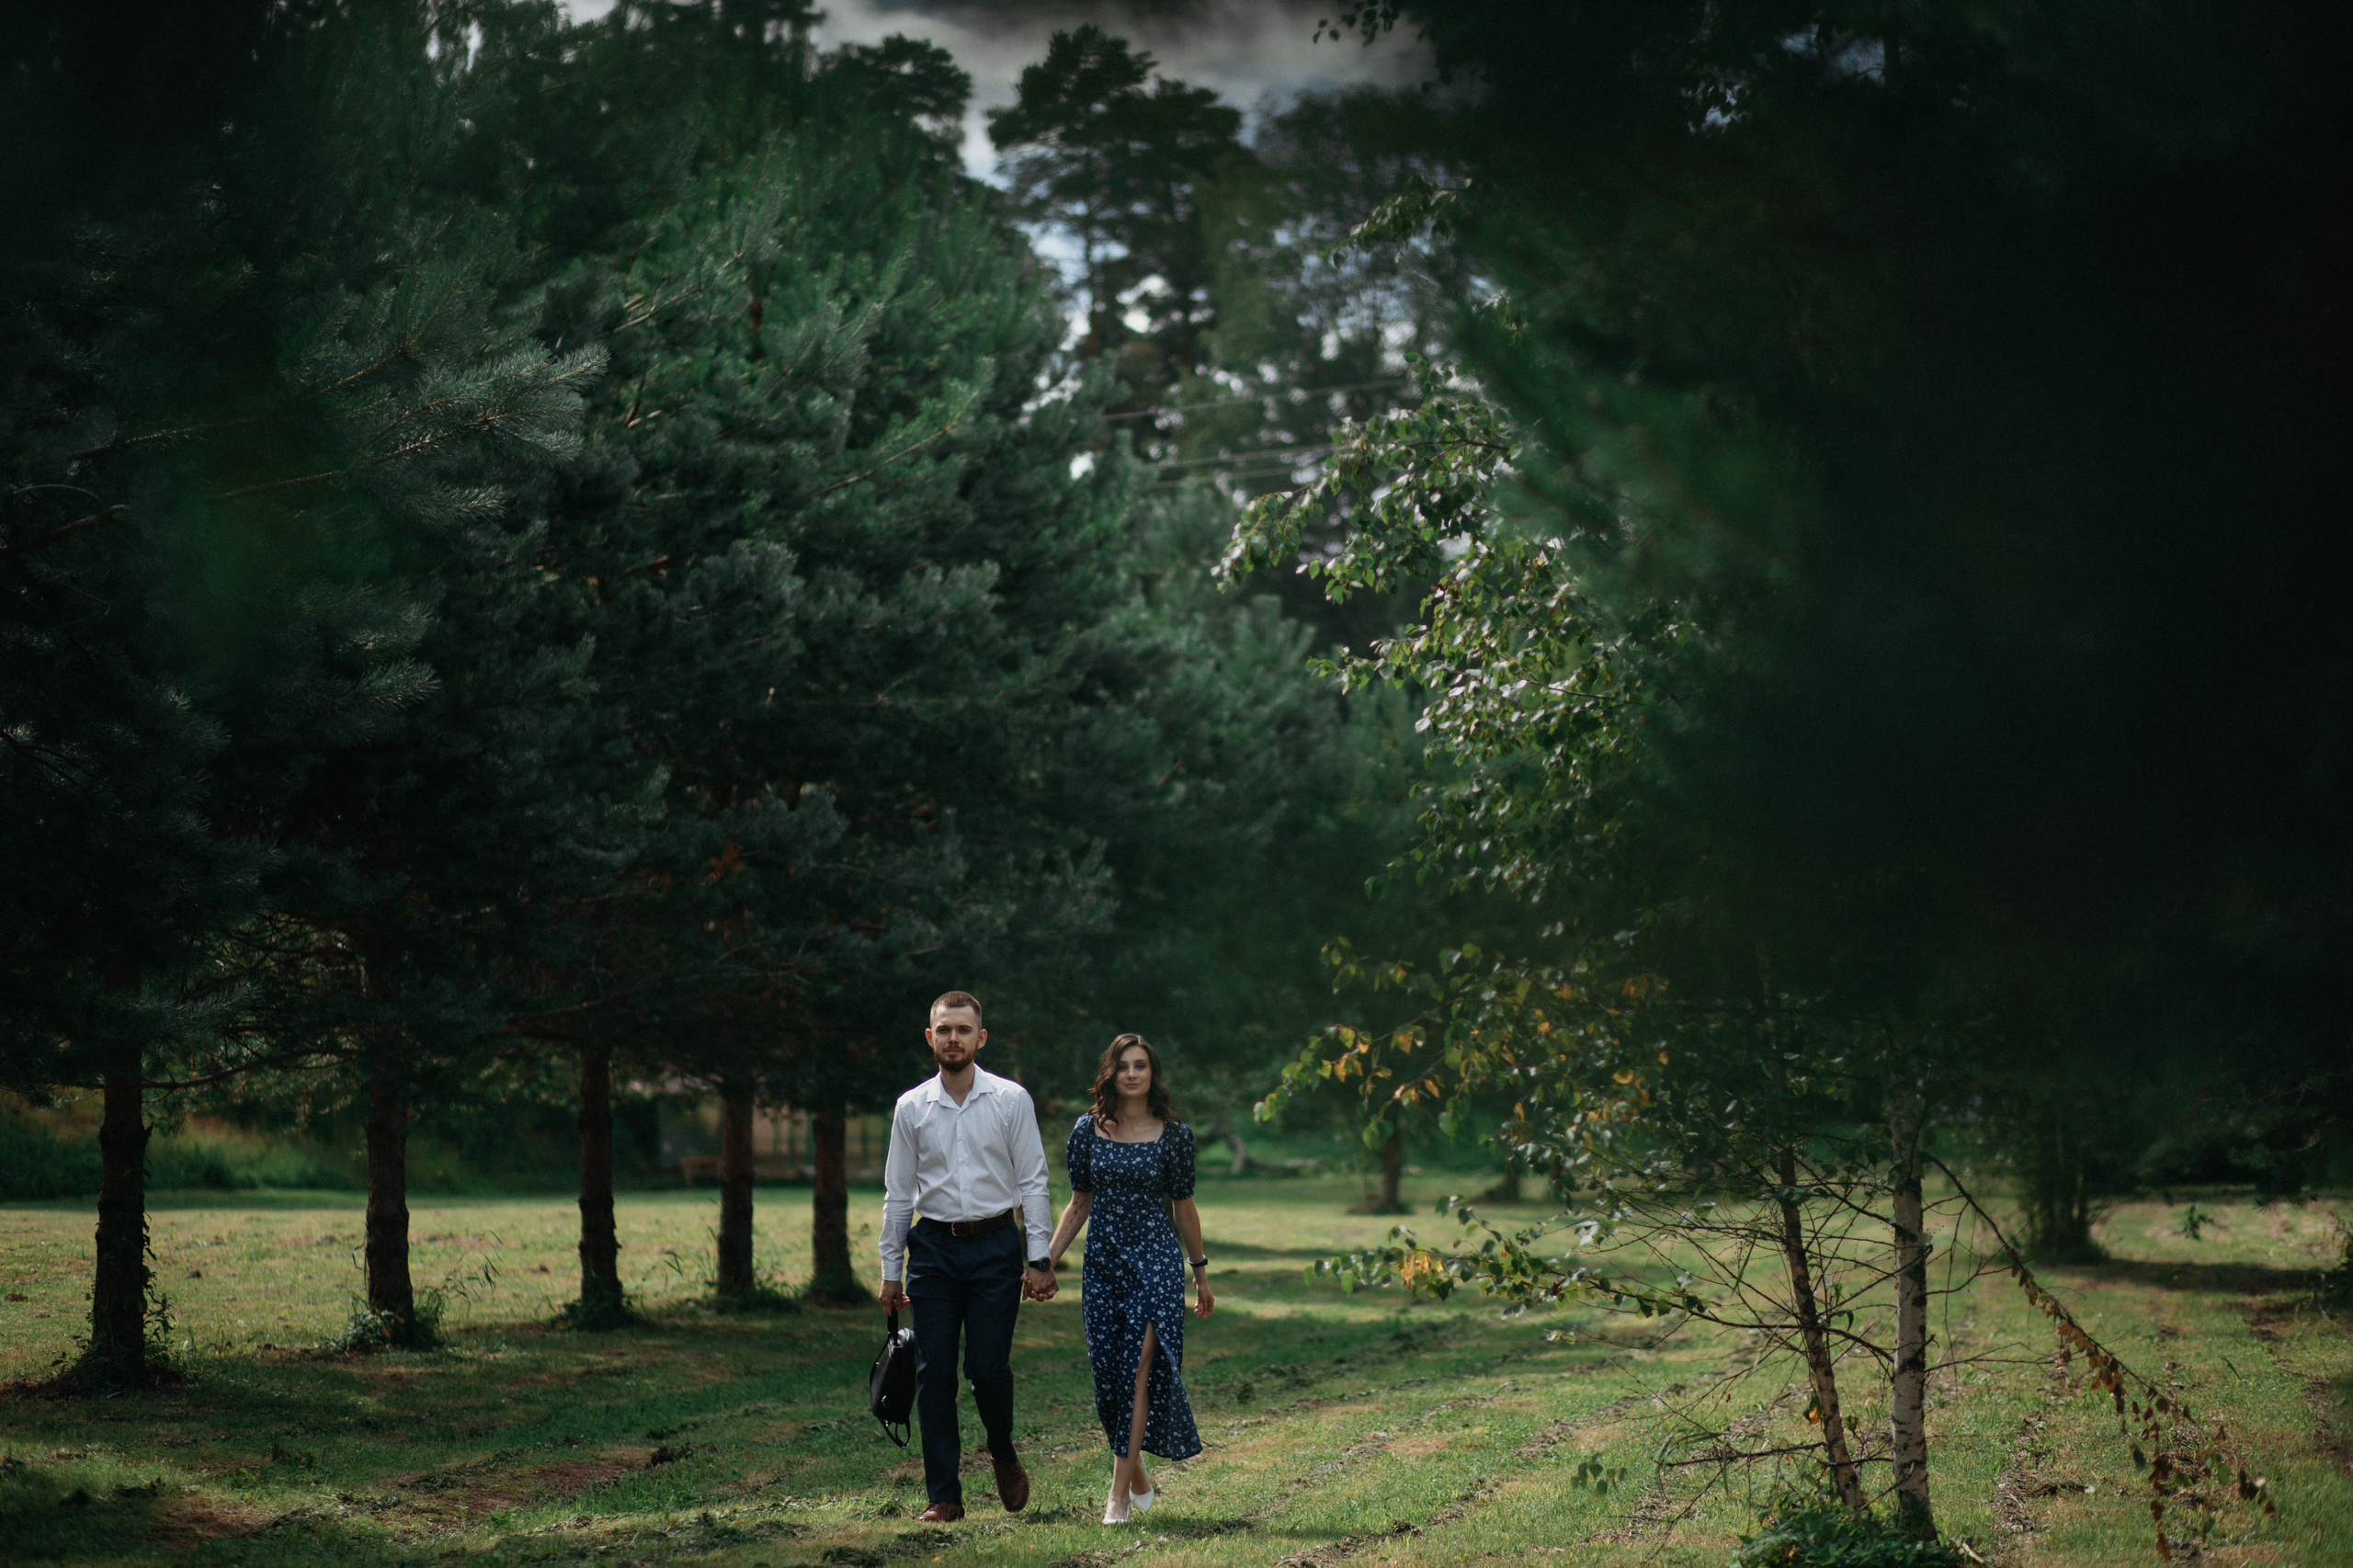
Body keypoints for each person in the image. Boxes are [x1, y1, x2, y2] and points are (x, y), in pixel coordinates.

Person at [878, 991, 1057, 1524]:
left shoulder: (1010, 1100)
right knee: (934, 1374)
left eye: (963, 1030)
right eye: (944, 1030)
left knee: (988, 1368)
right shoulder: (912, 1107)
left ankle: (1001, 1448)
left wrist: (1039, 1256)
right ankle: (944, 1495)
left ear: (980, 1038)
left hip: (995, 1247)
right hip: (932, 1248)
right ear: (930, 1037)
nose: (953, 1038)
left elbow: (1033, 1181)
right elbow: (898, 1192)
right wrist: (891, 1270)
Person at [1044, 1032, 1214, 1526]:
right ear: (1111, 1074)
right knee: (1108, 1379)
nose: (1133, 1073)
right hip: (1103, 1265)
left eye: (1141, 1065)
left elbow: (1184, 1207)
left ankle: (1116, 1496)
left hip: (1157, 1263)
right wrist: (1046, 1261)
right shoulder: (1086, 1130)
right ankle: (1135, 1467)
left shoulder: (1174, 1134)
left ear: (1152, 1073)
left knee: (1138, 1369)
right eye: (1124, 1066)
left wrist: (1200, 1273)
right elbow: (1079, 1203)